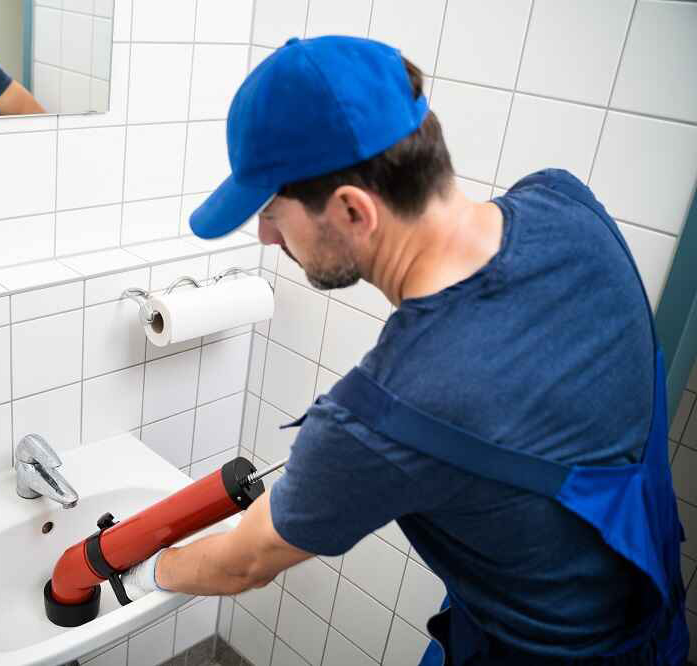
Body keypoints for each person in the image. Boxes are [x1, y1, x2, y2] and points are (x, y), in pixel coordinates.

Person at [121, 36, 689, 664]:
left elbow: (245, 561)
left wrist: (149, 571)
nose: (263, 235)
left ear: (352, 210)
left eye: (274, 212)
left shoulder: (385, 414)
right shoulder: (567, 205)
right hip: (654, 622)